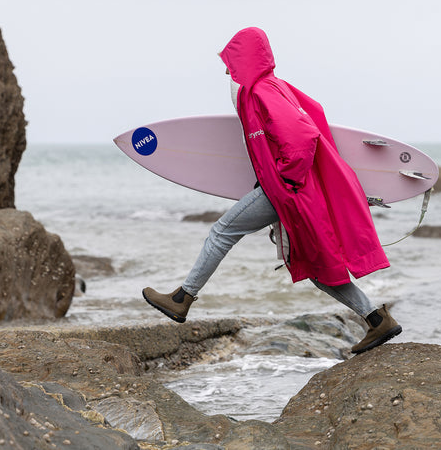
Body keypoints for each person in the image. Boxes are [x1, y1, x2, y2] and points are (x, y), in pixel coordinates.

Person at [143, 27, 401, 355]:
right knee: (318, 267)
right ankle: (377, 319)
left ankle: (181, 299)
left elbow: (302, 136)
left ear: (245, 60)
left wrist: (286, 180)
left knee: (221, 232)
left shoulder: (262, 91)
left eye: (231, 61)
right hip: (288, 190)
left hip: (287, 190)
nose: (226, 70)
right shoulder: (271, 88)